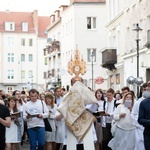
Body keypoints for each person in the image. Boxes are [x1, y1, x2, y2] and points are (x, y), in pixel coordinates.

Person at [58, 76, 98, 150]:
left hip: (86, 123)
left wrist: (82, 108)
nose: (77, 84)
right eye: (74, 82)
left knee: (86, 145)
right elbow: (62, 109)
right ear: (71, 84)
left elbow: (93, 107)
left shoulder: (88, 94)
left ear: (82, 83)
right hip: (72, 125)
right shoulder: (67, 96)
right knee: (72, 145)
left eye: (79, 82)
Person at [131, 82, 148, 150]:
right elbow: (133, 115)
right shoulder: (138, 103)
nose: (146, 91)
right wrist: (140, 125)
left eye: (148, 89)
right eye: (144, 89)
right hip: (140, 129)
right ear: (142, 90)